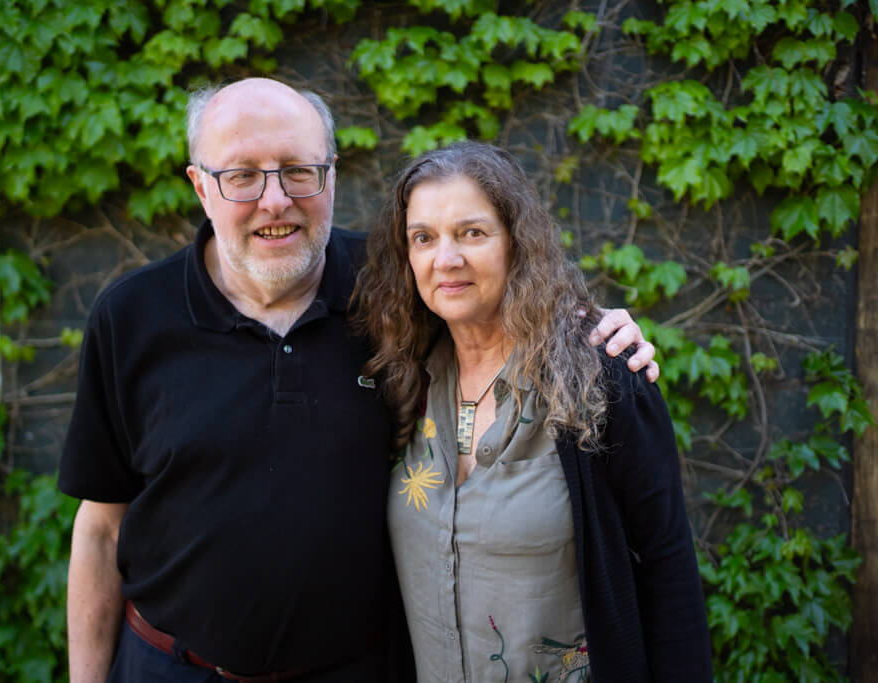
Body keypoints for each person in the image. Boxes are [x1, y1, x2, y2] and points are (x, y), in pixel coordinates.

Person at [58, 78, 659, 682]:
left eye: (299, 171)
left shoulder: (395, 291)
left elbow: (499, 307)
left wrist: (593, 331)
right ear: (200, 186)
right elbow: (102, 531)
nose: (275, 200)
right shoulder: (131, 317)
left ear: (332, 175)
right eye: (242, 176)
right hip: (170, 668)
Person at [354, 141, 711, 682]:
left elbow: (668, 567)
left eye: (472, 233)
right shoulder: (401, 375)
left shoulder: (599, 375)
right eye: (423, 238)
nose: (445, 259)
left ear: (516, 243)